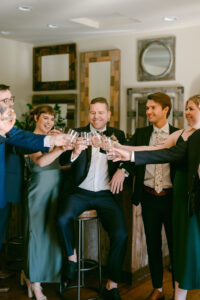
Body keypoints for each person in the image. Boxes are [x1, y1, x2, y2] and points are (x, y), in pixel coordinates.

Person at [112, 94, 200, 300]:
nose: (186, 112)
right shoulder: (183, 135)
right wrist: (121, 150)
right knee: (180, 249)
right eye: (186, 108)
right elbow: (155, 149)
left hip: (188, 200)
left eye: (191, 108)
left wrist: (131, 155)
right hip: (178, 200)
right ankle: (171, 292)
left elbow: (167, 156)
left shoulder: (193, 136)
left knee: (186, 249)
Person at [57, 97, 128, 300]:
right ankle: (71, 258)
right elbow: (63, 160)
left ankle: (111, 284)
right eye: (93, 112)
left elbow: (129, 158)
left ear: (108, 114)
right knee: (61, 219)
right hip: (80, 191)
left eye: (100, 112)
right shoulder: (77, 133)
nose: (96, 116)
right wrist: (75, 151)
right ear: (88, 114)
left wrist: (122, 170)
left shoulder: (118, 134)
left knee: (121, 234)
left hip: (106, 195)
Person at [0, 84, 69, 293]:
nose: (10, 104)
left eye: (11, 100)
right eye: (5, 101)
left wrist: (55, 141)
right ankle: (32, 279)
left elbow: (22, 140)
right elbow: (35, 155)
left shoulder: (10, 128)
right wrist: (55, 144)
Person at [123, 92, 178, 300]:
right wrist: (123, 169)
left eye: (152, 107)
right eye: (147, 108)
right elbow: (129, 158)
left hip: (172, 198)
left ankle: (177, 291)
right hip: (148, 198)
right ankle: (158, 288)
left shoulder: (179, 134)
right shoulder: (140, 133)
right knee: (153, 245)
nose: (148, 112)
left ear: (165, 109)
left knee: (175, 247)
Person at [20, 104, 73, 300]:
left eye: (52, 119)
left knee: (50, 235)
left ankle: (30, 274)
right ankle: (35, 284)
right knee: (36, 236)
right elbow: (41, 162)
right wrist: (60, 147)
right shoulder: (29, 139)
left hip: (55, 191)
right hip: (37, 192)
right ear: (35, 118)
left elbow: (57, 165)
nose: (49, 122)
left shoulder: (52, 139)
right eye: (45, 118)